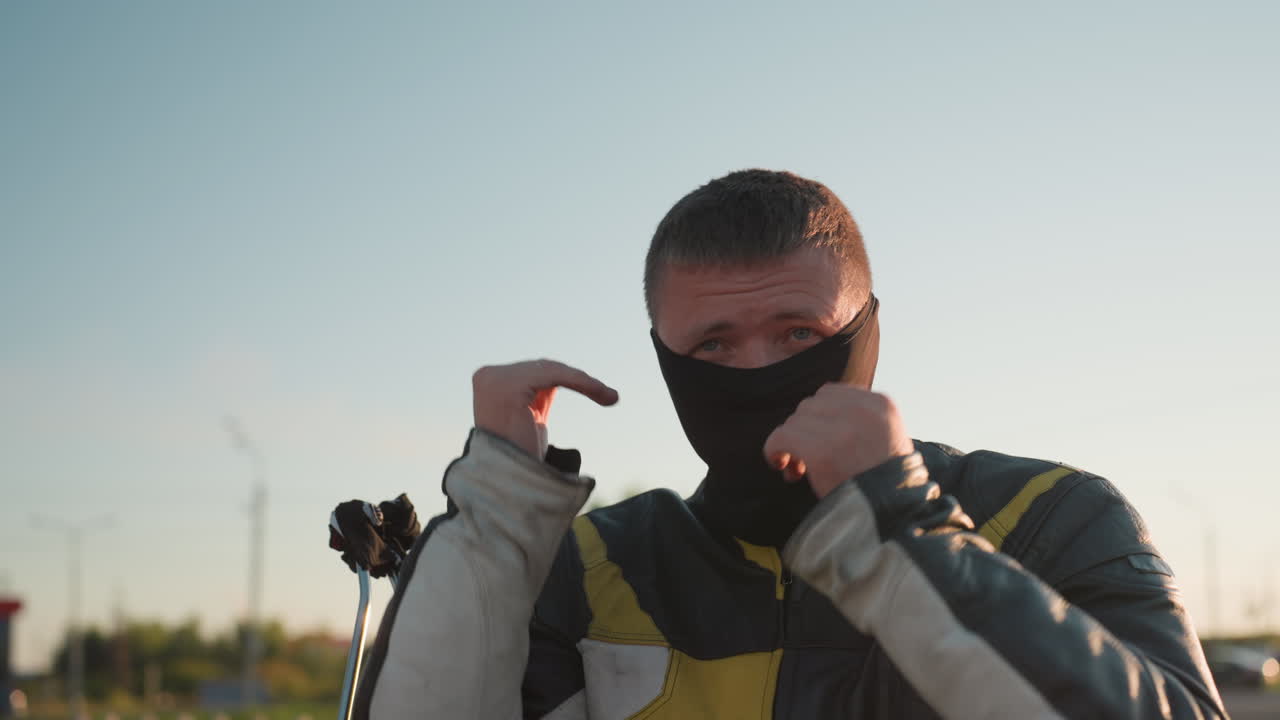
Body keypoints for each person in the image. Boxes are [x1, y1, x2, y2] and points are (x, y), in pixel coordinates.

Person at [344, 170, 1226, 718]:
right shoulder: (587, 566)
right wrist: (495, 513)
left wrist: (897, 524)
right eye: (715, 346)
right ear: (665, 359)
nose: (757, 372)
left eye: (799, 335)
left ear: (866, 335)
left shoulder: (1047, 516)